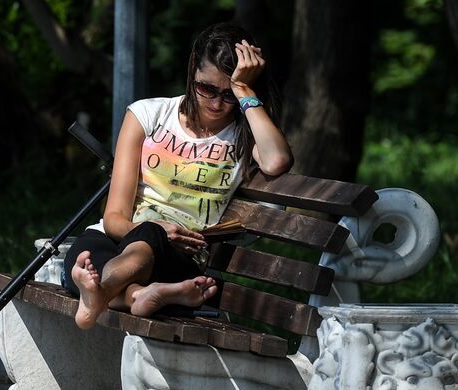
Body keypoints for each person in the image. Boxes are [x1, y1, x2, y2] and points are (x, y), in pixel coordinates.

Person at [62, 22, 293, 330]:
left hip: (182, 258)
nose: (216, 103)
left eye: (228, 94)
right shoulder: (148, 115)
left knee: (123, 253)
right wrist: (147, 227)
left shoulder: (243, 132)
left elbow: (277, 160)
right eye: (207, 89)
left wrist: (245, 92)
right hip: (122, 238)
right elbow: (114, 217)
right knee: (86, 252)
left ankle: (98, 294)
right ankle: (141, 296)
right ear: (191, 71)